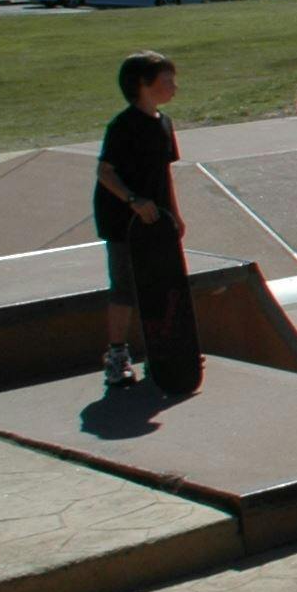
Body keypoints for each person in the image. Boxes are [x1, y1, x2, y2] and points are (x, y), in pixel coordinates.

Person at [94, 51, 183, 389]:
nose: (174, 86)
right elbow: (104, 172)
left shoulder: (164, 122)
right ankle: (117, 357)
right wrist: (133, 200)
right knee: (125, 288)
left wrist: (174, 213)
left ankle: (162, 349)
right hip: (122, 221)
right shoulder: (123, 126)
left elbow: (165, 173)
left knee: (161, 284)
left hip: (156, 220)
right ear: (143, 86)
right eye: (166, 81)